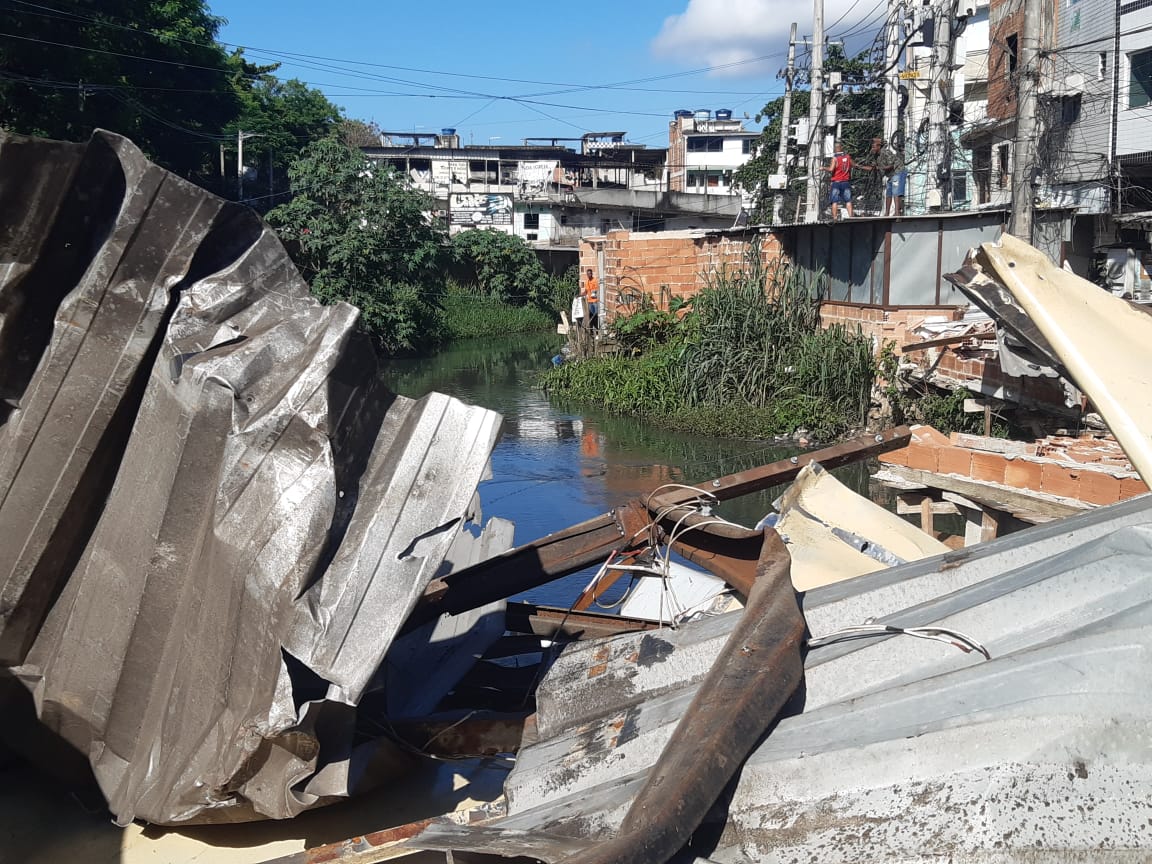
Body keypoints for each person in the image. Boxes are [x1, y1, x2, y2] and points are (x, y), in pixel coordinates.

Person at [863, 137, 907, 216]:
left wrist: (879, 168)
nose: (872, 149)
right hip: (890, 175)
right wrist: (859, 166)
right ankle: (887, 213)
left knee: (896, 192)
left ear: (879, 146)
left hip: (898, 171)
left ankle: (897, 213)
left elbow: (890, 166)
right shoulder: (876, 156)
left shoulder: (886, 152)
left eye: (874, 147)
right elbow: (874, 168)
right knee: (888, 193)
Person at [822, 141, 854, 221]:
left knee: (834, 201)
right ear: (841, 148)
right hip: (846, 182)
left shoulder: (835, 158)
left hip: (836, 182)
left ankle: (835, 218)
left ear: (835, 149)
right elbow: (853, 165)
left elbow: (831, 169)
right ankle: (851, 217)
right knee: (848, 200)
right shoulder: (848, 157)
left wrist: (823, 168)